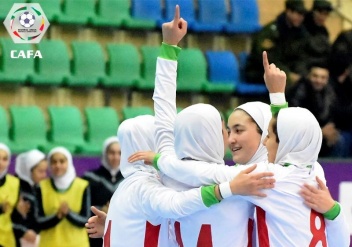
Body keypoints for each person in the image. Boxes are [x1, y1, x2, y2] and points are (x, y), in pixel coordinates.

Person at [130, 46, 350, 246]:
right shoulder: (313, 172)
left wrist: (161, 160)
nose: (230, 139)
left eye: (238, 130)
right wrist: (334, 211)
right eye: (228, 130)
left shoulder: (261, 179)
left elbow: (172, 134)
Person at [101, 7, 276, 247]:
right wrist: (277, 97)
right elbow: (287, 143)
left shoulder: (169, 173)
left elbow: (163, 109)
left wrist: (169, 48)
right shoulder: (247, 180)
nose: (229, 137)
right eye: (225, 130)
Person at [35, 147, 91, 247]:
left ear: (68, 162)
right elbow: (38, 221)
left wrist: (68, 213)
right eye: (54, 162)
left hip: (77, 244)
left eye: (62, 161)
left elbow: (86, 220)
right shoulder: (41, 187)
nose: (58, 165)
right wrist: (57, 216)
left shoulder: (82, 186)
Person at [286, 62, 343, 157]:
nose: (319, 80)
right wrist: (320, 131)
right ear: (308, 76)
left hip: (321, 133)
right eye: (315, 76)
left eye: (323, 77)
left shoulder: (329, 92)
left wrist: (331, 127)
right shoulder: (298, 92)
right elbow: (294, 124)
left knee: (340, 139)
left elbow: (333, 113)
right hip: (299, 137)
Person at [245, 0, 308, 85]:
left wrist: (301, 73)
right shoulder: (271, 31)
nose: (300, 18)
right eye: (298, 13)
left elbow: (301, 57)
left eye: (302, 15)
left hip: (284, 70)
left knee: (311, 80)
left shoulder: (300, 33)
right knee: (284, 79)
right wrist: (287, 73)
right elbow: (266, 58)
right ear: (288, 12)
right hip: (259, 70)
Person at [83, 136, 122, 247]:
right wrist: (101, 211)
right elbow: (84, 209)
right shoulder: (90, 177)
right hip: (95, 232)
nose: (116, 157)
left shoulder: (128, 178)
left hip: (121, 232)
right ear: (105, 153)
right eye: (112, 153)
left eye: (119, 153)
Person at [329, 52, 352, 157]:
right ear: (347, 70)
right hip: (337, 126)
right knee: (345, 139)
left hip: (349, 125)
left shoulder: (348, 83)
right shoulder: (330, 86)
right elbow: (332, 109)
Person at [0, 144, 37, 247]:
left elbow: (14, 217)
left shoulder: (14, 183)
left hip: (7, 240)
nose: (1, 163)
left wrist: (20, 213)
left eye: (4, 159)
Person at [14, 149, 48, 247]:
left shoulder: (37, 189)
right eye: (40, 171)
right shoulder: (16, 188)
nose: (44, 175)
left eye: (45, 171)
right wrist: (23, 231)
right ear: (29, 170)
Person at [303, 0, 333, 68]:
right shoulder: (302, 25)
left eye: (325, 14)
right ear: (314, 11)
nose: (322, 17)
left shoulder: (323, 31)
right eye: (320, 13)